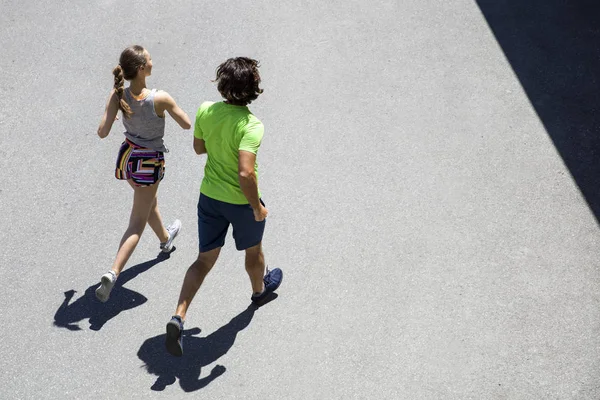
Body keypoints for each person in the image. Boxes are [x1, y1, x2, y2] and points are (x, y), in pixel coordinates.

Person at [165, 57, 283, 357]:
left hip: (209, 198)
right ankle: (259, 292)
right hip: (241, 204)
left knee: (203, 260)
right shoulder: (252, 125)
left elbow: (198, 148)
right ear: (253, 89)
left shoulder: (206, 109)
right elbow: (246, 172)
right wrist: (256, 207)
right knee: (253, 251)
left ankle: (179, 315)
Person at [95, 45, 191, 302]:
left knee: (148, 203)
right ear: (141, 69)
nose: (152, 62)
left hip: (129, 160)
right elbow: (187, 124)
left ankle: (165, 238)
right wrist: (167, 112)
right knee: (136, 222)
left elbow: (102, 132)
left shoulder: (118, 95)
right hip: (149, 164)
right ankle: (113, 273)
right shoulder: (159, 98)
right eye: (149, 60)